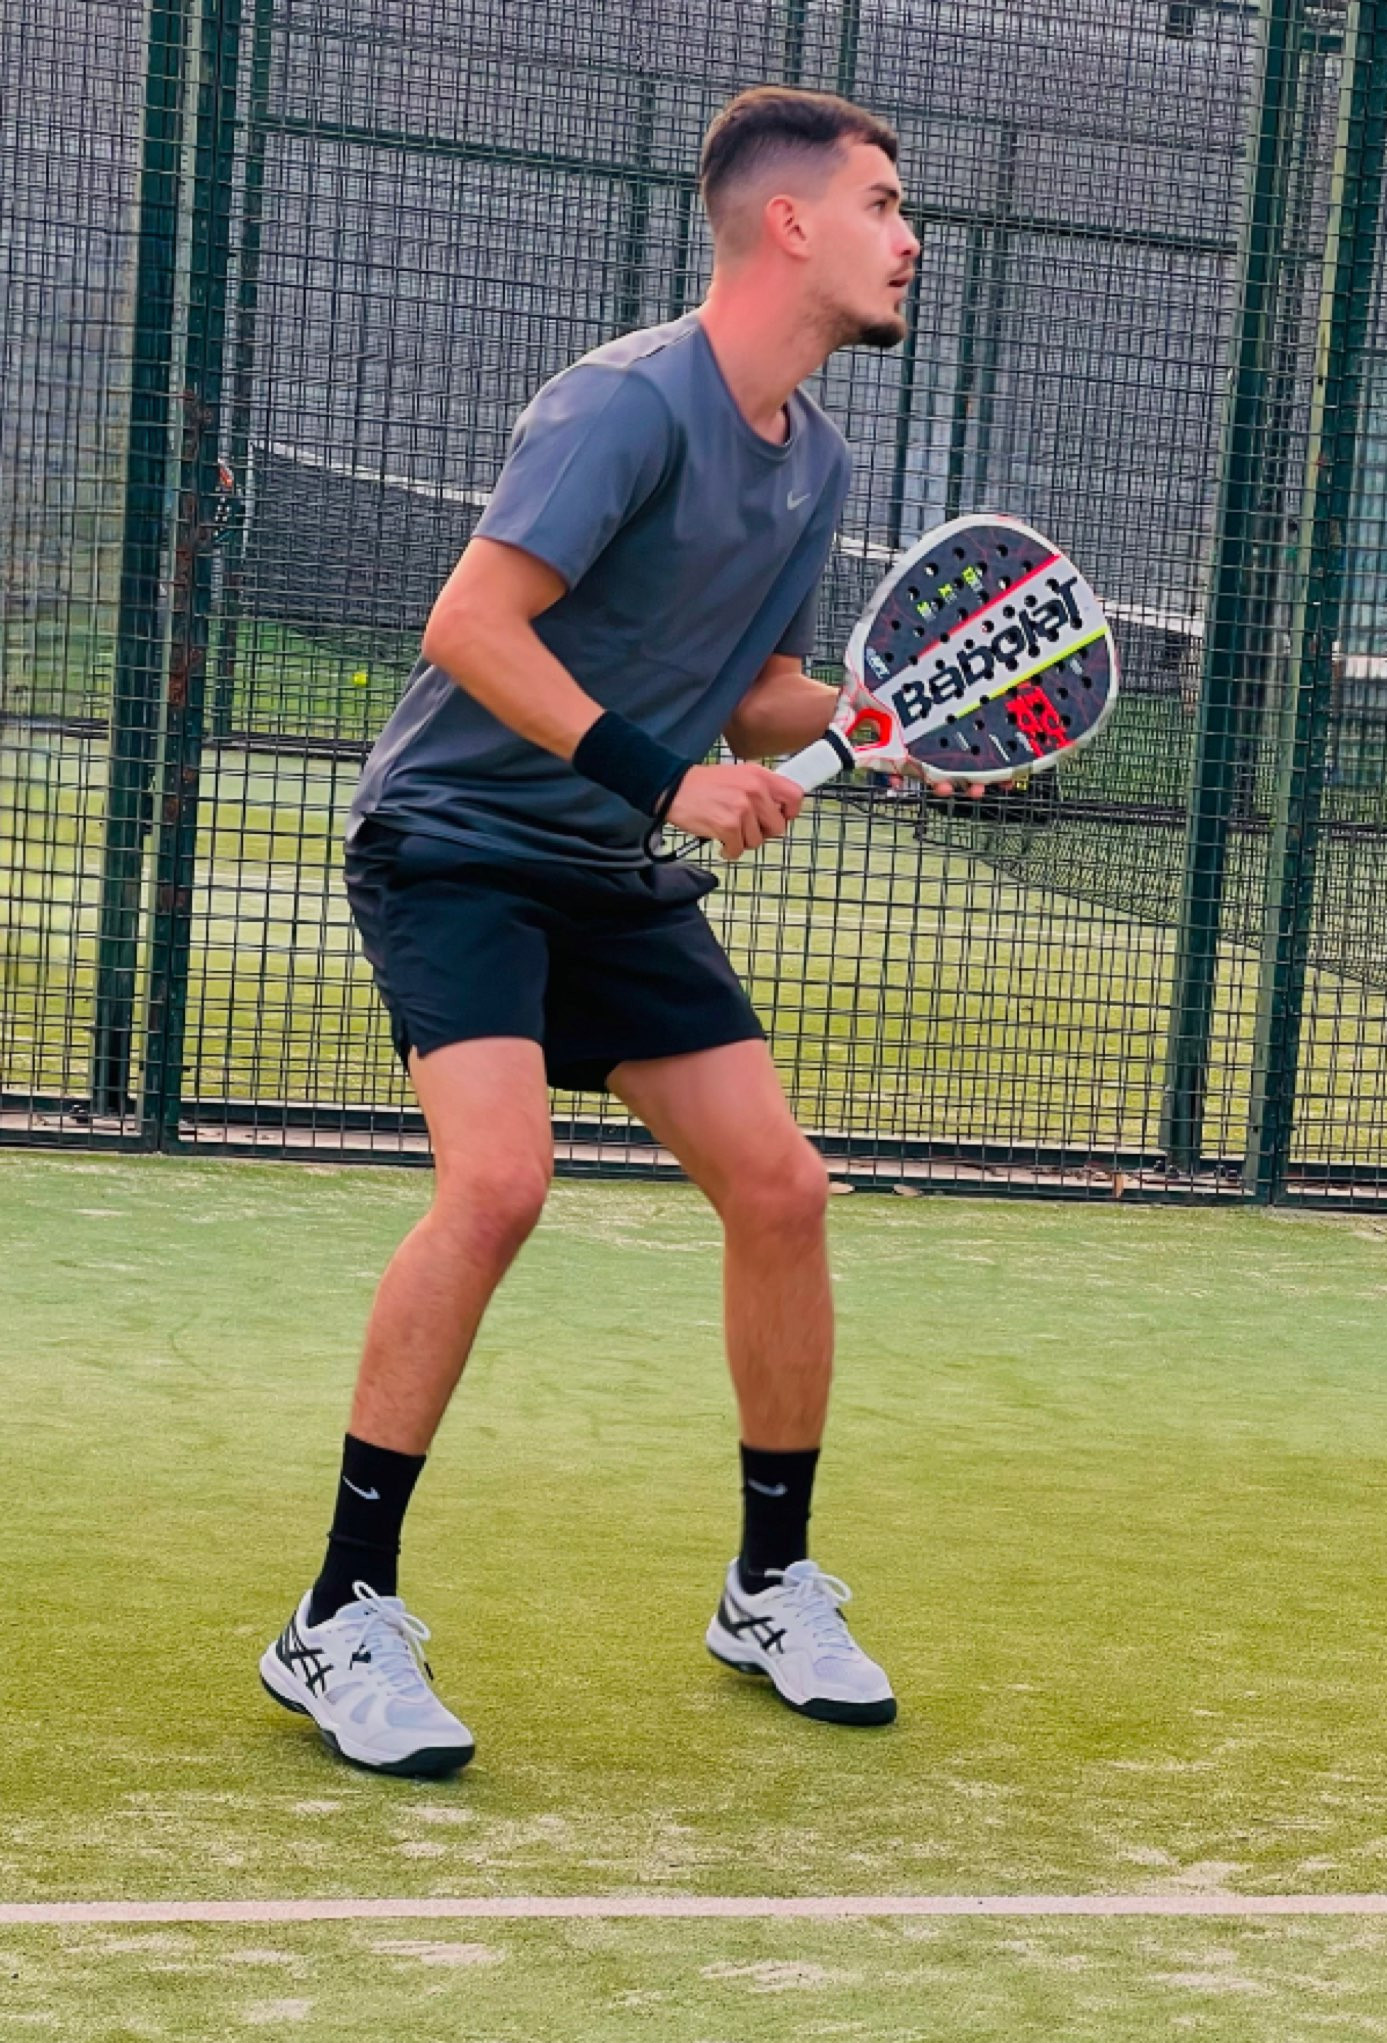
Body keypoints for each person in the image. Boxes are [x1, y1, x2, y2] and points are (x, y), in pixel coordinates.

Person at [260, 86, 931, 1776]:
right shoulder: (626, 403)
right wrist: (669, 779)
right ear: (789, 222)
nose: (908, 238)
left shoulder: (816, 461)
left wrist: (871, 718)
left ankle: (768, 1587)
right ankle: (337, 1615)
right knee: (498, 1184)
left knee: (781, 1189)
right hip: (459, 844)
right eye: (881, 204)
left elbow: (759, 690)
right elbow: (471, 624)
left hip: (606, 866)